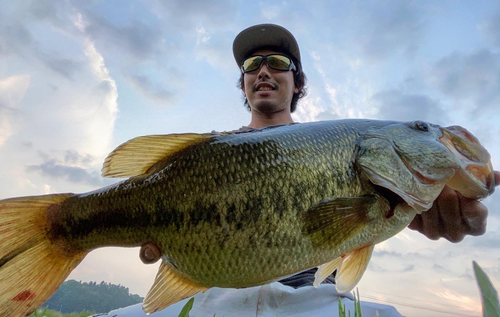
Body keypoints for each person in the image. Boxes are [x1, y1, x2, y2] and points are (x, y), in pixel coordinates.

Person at [134, 23, 498, 314]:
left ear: (296, 83)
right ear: (244, 85)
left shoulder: (338, 148)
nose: (262, 70)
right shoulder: (203, 155)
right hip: (218, 295)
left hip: (313, 299)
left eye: (277, 63)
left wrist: (439, 207)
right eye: (250, 65)